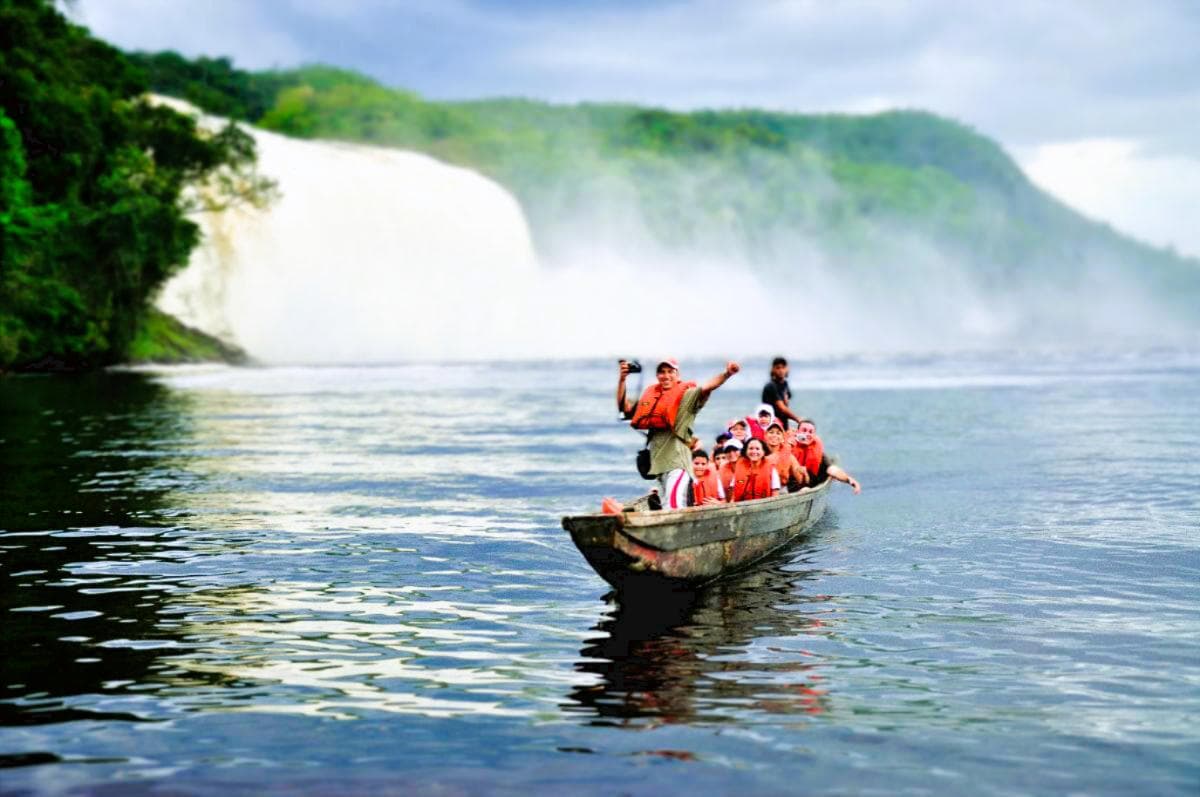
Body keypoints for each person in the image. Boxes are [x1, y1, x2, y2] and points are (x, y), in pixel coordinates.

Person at [617, 357, 741, 509]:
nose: (666, 375)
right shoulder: (652, 397)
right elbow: (625, 408)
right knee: (665, 506)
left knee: (673, 505)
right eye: (662, 372)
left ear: (677, 374)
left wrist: (727, 373)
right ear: (657, 376)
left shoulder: (687, 395)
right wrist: (622, 380)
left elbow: (708, 387)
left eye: (670, 371)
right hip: (658, 464)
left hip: (678, 463)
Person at [791, 418, 862, 494]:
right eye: (804, 430)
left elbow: (832, 470)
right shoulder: (788, 447)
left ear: (814, 435)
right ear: (797, 432)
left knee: (805, 490)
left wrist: (849, 480)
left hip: (807, 486)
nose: (807, 434)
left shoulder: (818, 454)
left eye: (810, 432)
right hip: (790, 486)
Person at [728, 437, 780, 502]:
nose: (754, 451)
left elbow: (775, 492)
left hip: (764, 506)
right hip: (742, 507)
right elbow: (734, 490)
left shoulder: (771, 469)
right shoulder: (739, 467)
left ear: (763, 452)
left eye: (757, 449)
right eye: (751, 448)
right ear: (746, 451)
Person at [764, 421, 807, 492]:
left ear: (782, 439)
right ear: (765, 435)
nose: (774, 435)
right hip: (762, 490)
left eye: (778, 433)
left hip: (781, 490)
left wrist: (802, 472)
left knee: (804, 489)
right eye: (771, 432)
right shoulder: (758, 453)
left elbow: (800, 479)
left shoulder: (789, 457)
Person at [762, 356, 802, 429]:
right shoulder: (771, 386)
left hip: (783, 422)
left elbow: (786, 403)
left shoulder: (785, 384)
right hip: (772, 424)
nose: (781, 370)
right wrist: (798, 419)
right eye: (778, 368)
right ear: (773, 369)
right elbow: (782, 407)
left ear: (787, 369)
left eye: (783, 367)